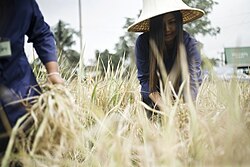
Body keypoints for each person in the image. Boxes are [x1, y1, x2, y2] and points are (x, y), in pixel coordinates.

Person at [0, 0, 64, 153]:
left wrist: (53, 72)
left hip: (19, 88)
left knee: (28, 144)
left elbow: (42, 33)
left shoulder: (23, 4)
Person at [128, 0, 204, 118]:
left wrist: (181, 111)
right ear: (153, 26)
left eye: (172, 22)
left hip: (183, 103)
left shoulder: (190, 45)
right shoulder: (143, 43)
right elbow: (145, 80)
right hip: (153, 102)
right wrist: (166, 109)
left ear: (178, 22)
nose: (167, 29)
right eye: (161, 25)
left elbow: (193, 82)